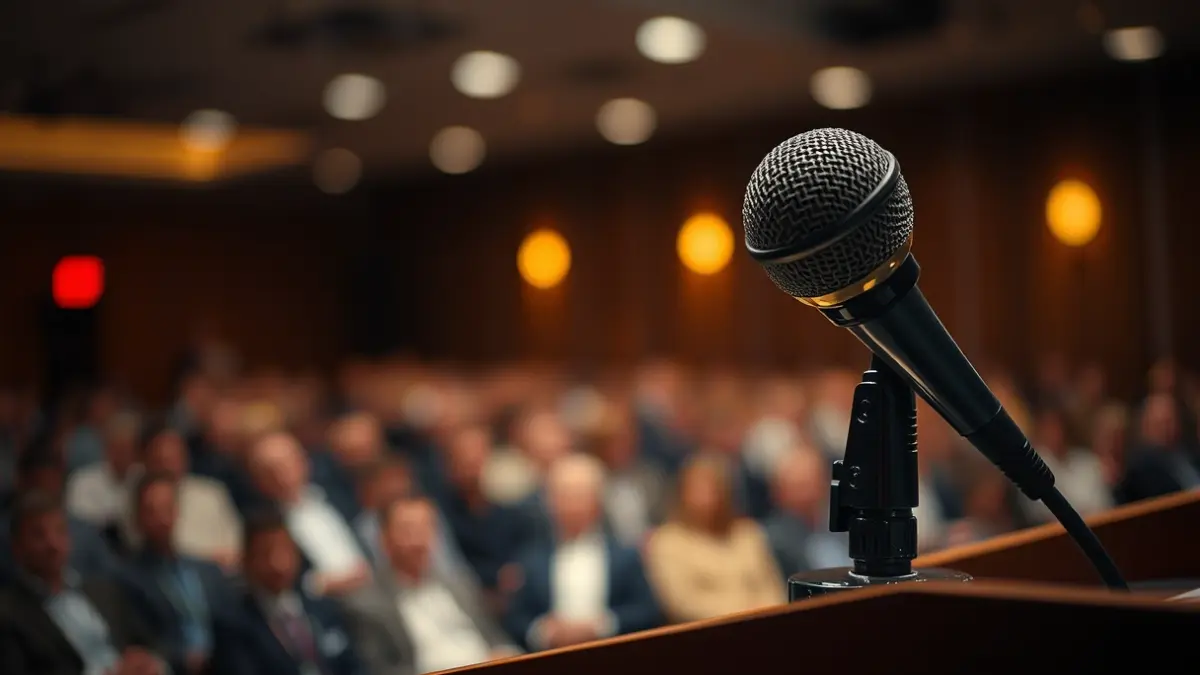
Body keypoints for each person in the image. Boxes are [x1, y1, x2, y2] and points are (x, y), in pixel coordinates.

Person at [344, 496, 519, 675]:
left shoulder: (459, 582)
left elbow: (494, 637)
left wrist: (506, 653)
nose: (419, 541)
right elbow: (382, 670)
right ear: (384, 539)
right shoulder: (367, 603)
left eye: (426, 528)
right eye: (408, 530)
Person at [504, 453, 662, 651]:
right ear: (549, 502)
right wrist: (544, 630)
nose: (572, 506)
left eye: (580, 496)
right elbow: (515, 619)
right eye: (564, 496)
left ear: (598, 502)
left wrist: (601, 626)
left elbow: (646, 611)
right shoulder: (531, 559)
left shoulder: (625, 557)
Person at [0, 491, 167, 675]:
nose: (52, 543)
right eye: (39, 535)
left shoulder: (103, 590)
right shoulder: (8, 614)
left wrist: (151, 663)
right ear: (17, 548)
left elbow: (148, 643)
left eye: (60, 531)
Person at [211, 511, 364, 675]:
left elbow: (354, 664)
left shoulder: (322, 606)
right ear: (246, 560)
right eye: (265, 554)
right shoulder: (233, 624)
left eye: (285, 551)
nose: (278, 563)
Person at [645, 456, 785, 623]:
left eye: (713, 489)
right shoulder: (667, 542)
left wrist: (767, 611)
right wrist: (743, 612)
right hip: (707, 630)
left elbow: (772, 587)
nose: (706, 497)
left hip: (765, 623)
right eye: (698, 490)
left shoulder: (747, 532)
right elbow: (682, 602)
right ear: (682, 493)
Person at [120, 473, 235, 675]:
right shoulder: (128, 578)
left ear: (177, 511)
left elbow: (232, 621)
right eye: (152, 511)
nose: (161, 519)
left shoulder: (207, 570)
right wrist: (180, 658)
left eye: (167, 509)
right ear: (137, 517)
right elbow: (142, 641)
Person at [245, 431, 371, 596]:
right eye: (270, 471)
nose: (281, 476)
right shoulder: (266, 526)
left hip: (375, 588)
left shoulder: (339, 494)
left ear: (304, 462)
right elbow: (281, 579)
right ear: (257, 480)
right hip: (327, 603)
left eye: (286, 465)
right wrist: (322, 585)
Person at [122, 422, 242, 568]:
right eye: (162, 460)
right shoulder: (141, 496)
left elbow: (235, 547)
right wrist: (205, 560)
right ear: (146, 460)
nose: (170, 466)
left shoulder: (212, 494)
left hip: (217, 574)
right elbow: (138, 545)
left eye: (176, 457)